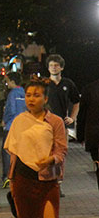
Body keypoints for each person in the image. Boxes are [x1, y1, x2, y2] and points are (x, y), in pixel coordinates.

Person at [4, 78, 72, 218]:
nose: (31, 99)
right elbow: (13, 152)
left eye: (36, 95)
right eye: (28, 95)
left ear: (45, 98)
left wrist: (51, 160)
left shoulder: (55, 122)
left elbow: (61, 150)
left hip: (47, 181)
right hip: (22, 179)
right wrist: (12, 181)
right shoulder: (19, 121)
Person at [46, 54, 80, 197]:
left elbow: (76, 102)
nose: (54, 68)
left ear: (62, 67)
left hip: (61, 126)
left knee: (60, 155)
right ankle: (47, 184)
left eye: (56, 65)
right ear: (48, 67)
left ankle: (58, 185)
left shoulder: (68, 84)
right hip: (45, 126)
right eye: (51, 65)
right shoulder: (44, 84)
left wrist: (72, 118)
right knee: (46, 155)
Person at [1, 72, 26, 188]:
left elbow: (10, 110)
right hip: (23, 126)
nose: (7, 83)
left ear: (12, 81)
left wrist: (4, 120)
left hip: (11, 126)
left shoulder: (12, 94)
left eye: (7, 81)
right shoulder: (24, 93)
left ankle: (7, 175)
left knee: (6, 151)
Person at [76, 78, 99, 189]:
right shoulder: (89, 89)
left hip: (94, 138)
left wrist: (80, 136)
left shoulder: (89, 88)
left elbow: (82, 115)